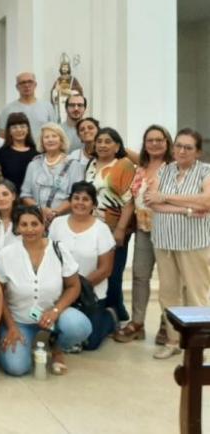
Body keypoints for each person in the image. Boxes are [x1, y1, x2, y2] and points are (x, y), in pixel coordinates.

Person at [0, 206, 92, 376]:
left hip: (53, 316)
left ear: (43, 225)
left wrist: (56, 311)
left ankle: (57, 348)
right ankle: (13, 341)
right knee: (17, 368)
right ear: (17, 228)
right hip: (19, 320)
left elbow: (74, 286)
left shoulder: (58, 250)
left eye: (35, 224)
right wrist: (11, 327)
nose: (30, 229)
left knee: (80, 327)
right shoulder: (6, 255)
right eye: (24, 225)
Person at [145, 128, 210, 359]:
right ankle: (173, 341)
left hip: (194, 243)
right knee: (168, 294)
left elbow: (207, 201)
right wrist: (189, 210)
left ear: (198, 152)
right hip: (164, 240)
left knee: (196, 295)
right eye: (179, 146)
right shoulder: (164, 170)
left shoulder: (205, 172)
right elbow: (152, 202)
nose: (181, 151)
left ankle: (198, 346)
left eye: (188, 147)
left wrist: (166, 198)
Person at [114, 125, 173, 344]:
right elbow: (131, 200)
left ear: (167, 142)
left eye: (160, 140)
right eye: (150, 140)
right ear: (145, 144)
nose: (155, 144)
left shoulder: (174, 168)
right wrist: (120, 228)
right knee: (139, 276)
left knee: (169, 281)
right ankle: (137, 323)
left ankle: (167, 325)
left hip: (169, 230)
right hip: (143, 229)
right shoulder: (140, 168)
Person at [49, 182, 117, 350]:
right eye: (76, 198)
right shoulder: (57, 224)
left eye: (85, 199)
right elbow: (49, 257)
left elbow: (105, 269)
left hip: (90, 293)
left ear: (93, 204)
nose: (80, 203)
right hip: (61, 291)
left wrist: (77, 287)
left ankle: (109, 317)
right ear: (70, 201)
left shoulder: (101, 229)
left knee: (90, 343)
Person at [85, 127, 135, 322]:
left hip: (114, 227)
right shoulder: (91, 164)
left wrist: (121, 229)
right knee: (97, 271)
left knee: (113, 274)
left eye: (108, 141)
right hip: (91, 227)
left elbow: (129, 201)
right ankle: (110, 312)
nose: (102, 145)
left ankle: (113, 314)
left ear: (117, 146)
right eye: (99, 141)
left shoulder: (124, 165)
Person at [20, 123, 84, 223]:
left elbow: (77, 195)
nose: (50, 140)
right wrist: (40, 210)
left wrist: (55, 212)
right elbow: (25, 195)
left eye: (54, 136)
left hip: (65, 220)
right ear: (42, 141)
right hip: (38, 220)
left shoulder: (73, 165)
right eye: (46, 137)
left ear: (61, 140)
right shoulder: (33, 165)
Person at [0, 72, 56, 140]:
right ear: (17, 87)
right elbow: (2, 136)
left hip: (42, 149)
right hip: (16, 149)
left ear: (35, 85)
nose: (26, 85)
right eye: (23, 82)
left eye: (30, 82)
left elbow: (55, 131)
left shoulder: (47, 107)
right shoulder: (8, 109)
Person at [0, 112, 38, 192]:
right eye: (14, 127)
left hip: (32, 199)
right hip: (8, 198)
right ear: (9, 131)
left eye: (22, 126)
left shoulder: (36, 154)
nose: (19, 130)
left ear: (28, 129)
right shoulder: (1, 154)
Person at [50, 56, 84, 125]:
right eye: (63, 67)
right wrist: (55, 91)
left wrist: (70, 92)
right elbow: (54, 93)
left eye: (66, 67)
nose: (64, 69)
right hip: (61, 103)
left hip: (70, 101)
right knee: (61, 118)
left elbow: (79, 91)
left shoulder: (73, 79)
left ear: (68, 68)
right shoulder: (58, 80)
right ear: (60, 68)